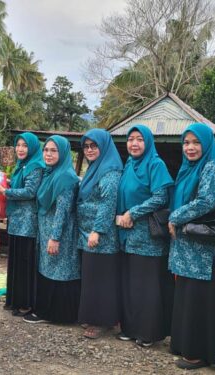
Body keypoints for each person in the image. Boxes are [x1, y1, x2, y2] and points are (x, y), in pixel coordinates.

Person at [167, 123, 215, 370]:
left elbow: (207, 201)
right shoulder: (187, 168)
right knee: (186, 298)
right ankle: (185, 345)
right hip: (185, 244)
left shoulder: (213, 167)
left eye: (196, 142)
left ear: (207, 144)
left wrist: (175, 217)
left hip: (201, 248)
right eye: (186, 143)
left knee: (199, 300)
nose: (190, 148)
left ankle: (200, 352)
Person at [116, 125, 175, 348]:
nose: (134, 144)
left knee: (147, 286)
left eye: (139, 139)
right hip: (128, 235)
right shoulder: (129, 164)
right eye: (131, 139)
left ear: (148, 142)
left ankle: (148, 332)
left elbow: (161, 197)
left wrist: (133, 212)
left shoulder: (155, 164)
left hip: (148, 237)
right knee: (131, 284)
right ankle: (130, 328)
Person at [23, 135, 80, 324]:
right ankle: (45, 311)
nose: (48, 154)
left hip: (60, 233)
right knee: (48, 269)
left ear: (63, 153)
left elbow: (63, 211)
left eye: (53, 150)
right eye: (46, 150)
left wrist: (55, 237)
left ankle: (60, 315)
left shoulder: (66, 177)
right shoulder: (50, 173)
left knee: (61, 271)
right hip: (46, 230)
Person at [0, 132, 45, 316]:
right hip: (16, 220)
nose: (20, 149)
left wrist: (4, 191)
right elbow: (17, 185)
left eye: (25, 146)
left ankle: (26, 302)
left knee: (25, 262)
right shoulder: (22, 165)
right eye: (18, 145)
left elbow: (30, 192)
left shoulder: (36, 166)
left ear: (32, 148)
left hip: (28, 222)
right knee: (15, 261)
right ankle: (14, 299)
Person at [76, 129, 123, 339]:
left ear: (104, 147)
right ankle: (93, 317)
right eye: (86, 146)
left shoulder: (110, 171)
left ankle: (103, 321)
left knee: (101, 279)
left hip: (101, 236)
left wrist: (97, 230)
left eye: (94, 146)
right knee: (91, 277)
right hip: (88, 232)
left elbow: (108, 204)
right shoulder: (95, 168)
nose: (89, 150)